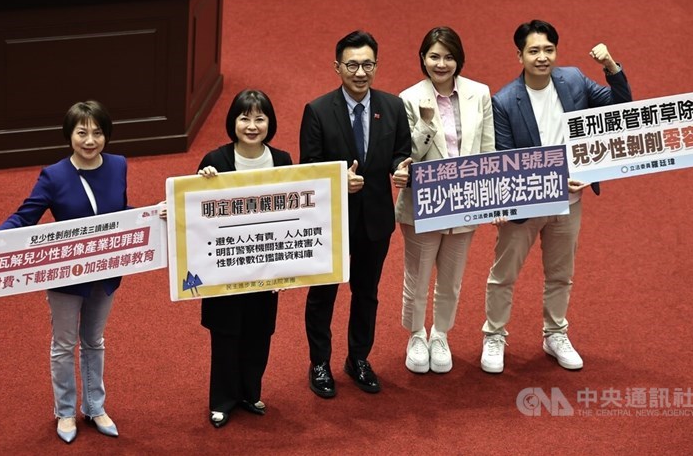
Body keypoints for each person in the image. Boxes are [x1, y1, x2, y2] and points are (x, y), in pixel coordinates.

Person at [480, 19, 632, 373]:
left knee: (561, 274)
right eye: (534, 51)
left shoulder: (575, 79)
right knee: (504, 275)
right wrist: (550, 182)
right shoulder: (503, 101)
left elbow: (620, 110)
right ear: (519, 55)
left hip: (570, 203)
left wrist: (610, 67)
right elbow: (505, 158)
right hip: (525, 203)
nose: (542, 57)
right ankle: (494, 335)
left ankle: (555, 333)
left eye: (548, 50)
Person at [0, 100, 126, 444]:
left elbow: (120, 211)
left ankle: (95, 407)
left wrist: (151, 215)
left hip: (106, 269)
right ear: (69, 135)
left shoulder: (118, 165)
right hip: (66, 274)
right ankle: (66, 411)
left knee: (94, 341)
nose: (90, 140)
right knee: (64, 343)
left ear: (107, 136)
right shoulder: (54, 175)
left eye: (97, 133)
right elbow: (25, 216)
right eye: (82, 132)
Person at [301, 30, 411, 397]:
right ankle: (320, 363)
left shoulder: (393, 107)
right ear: (337, 67)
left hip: (376, 218)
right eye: (352, 64)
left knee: (367, 293)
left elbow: (401, 151)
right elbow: (309, 169)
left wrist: (401, 168)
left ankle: (358, 358)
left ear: (376, 66)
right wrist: (337, 182)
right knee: (323, 294)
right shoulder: (317, 111)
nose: (360, 72)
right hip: (331, 221)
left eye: (367, 64)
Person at [392, 26, 495, 374]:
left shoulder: (479, 93)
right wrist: (425, 124)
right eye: (434, 56)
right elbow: (406, 154)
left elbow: (488, 149)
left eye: (448, 56)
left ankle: (441, 334)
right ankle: (416, 334)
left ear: (458, 59)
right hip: (423, 203)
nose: (441, 63)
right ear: (423, 58)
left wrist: (490, 197)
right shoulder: (407, 98)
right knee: (418, 276)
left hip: (465, 199)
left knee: (452, 278)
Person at [195, 89, 292, 428]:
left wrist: (289, 269)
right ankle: (221, 400)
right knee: (226, 335)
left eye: (259, 118)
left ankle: (250, 393)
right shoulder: (215, 161)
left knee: (258, 332)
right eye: (244, 118)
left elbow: (294, 217)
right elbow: (195, 216)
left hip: (266, 266)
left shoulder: (282, 160)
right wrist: (200, 184)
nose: (252, 125)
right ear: (232, 122)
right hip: (224, 268)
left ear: (270, 123)